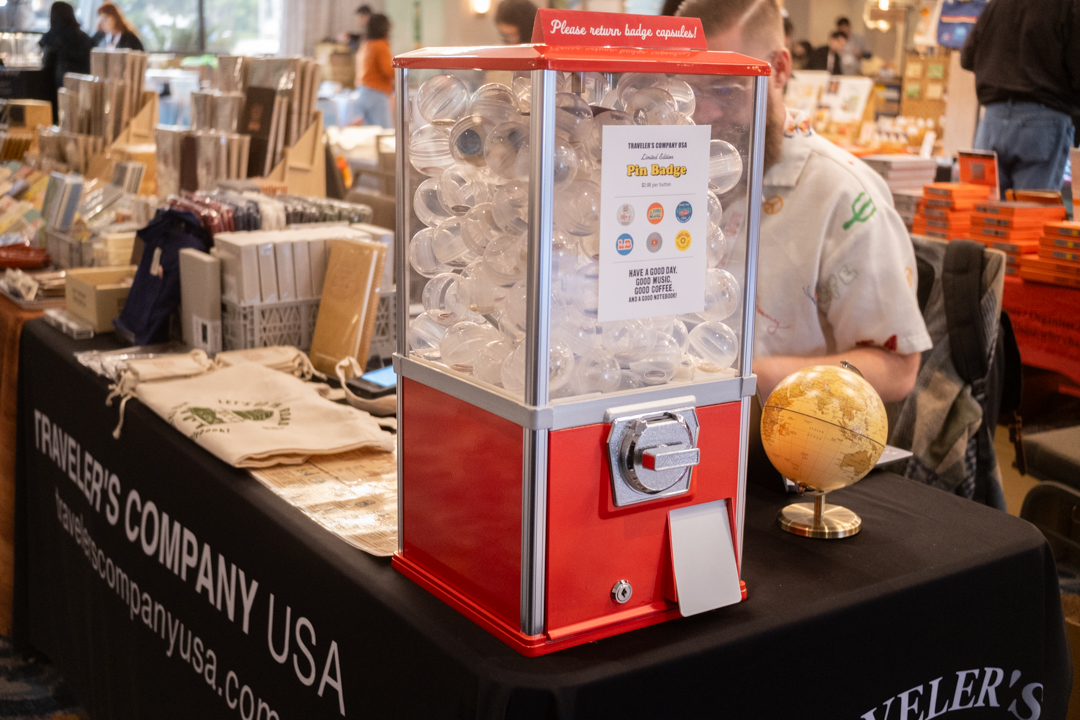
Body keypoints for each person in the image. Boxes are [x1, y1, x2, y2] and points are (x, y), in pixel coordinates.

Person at [676, 0, 930, 403]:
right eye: (691, 90)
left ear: (778, 69)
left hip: (786, 444)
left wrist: (738, 380)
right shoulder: (677, 172)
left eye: (725, 88)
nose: (704, 111)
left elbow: (897, 370)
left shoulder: (842, 195)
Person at [960, 0, 1078, 194]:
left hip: (992, 121)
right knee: (1029, 217)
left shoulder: (997, 4)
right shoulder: (1068, 5)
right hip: (1042, 123)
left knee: (986, 214)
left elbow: (967, 58)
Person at [39, 1, 94, 123]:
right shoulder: (83, 37)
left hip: (61, 86)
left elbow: (45, 60)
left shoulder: (53, 36)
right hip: (84, 86)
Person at [356, 13, 392, 129]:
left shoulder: (365, 45)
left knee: (369, 132)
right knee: (384, 133)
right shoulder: (380, 45)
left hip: (363, 91)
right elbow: (388, 70)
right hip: (377, 93)